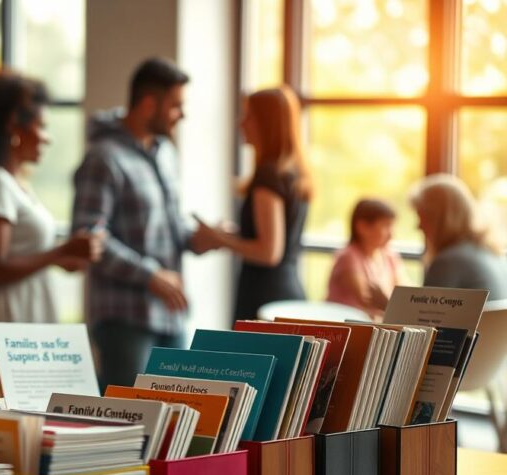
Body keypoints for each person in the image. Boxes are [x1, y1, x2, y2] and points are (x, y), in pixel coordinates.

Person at [0, 71, 104, 390]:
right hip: (7, 320)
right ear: (13, 127)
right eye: (41, 126)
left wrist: (63, 257)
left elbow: (19, 256)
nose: (47, 138)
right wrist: (60, 252)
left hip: (21, 316)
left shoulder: (10, 184)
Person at [72, 58, 212, 390]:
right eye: (176, 105)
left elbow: (165, 226)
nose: (182, 115)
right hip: (124, 320)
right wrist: (150, 275)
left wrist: (198, 239)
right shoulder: (103, 158)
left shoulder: (166, 153)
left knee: (180, 412)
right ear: (149, 104)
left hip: (170, 314)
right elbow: (90, 239)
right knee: (129, 414)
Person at [194, 85, 312, 321]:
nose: (241, 123)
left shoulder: (268, 177)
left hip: (265, 296)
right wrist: (234, 235)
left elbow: (269, 252)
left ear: (266, 124)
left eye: (249, 116)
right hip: (286, 291)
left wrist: (218, 239)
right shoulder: (292, 174)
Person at [410, 174, 507, 300]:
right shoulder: (492, 254)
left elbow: (423, 312)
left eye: (422, 217)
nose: (418, 226)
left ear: (440, 219)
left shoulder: (447, 262)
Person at [326, 199, 408, 318]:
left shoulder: (390, 256)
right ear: (362, 227)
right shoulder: (349, 257)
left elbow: (405, 293)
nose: (391, 234)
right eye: (385, 226)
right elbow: (367, 300)